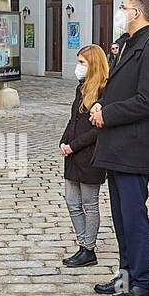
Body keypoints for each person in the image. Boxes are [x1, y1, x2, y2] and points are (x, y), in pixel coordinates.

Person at [89, 0, 149, 296]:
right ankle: (126, 275)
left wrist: (107, 114)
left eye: (123, 8)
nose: (119, 13)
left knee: (134, 217)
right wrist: (101, 105)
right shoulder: (129, 45)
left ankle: (142, 281)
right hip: (118, 145)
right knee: (122, 218)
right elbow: (120, 89)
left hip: (133, 146)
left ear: (136, 12)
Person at [59, 44, 110, 268]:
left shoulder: (104, 90)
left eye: (82, 63)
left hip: (89, 155)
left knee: (89, 204)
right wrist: (64, 141)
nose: (78, 67)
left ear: (93, 65)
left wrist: (74, 146)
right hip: (72, 154)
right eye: (78, 62)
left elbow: (98, 130)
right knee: (72, 202)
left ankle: (88, 249)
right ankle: (82, 244)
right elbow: (74, 120)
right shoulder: (81, 88)